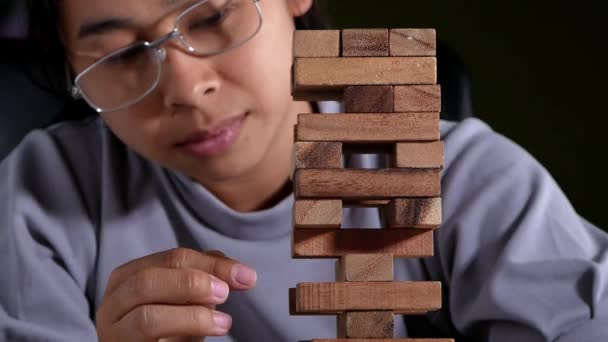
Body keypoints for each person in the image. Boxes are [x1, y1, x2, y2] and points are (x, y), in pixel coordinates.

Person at [1, 0, 607, 341]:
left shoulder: (463, 175)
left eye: (212, 17)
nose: (187, 87)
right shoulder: (35, 198)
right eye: (124, 54)